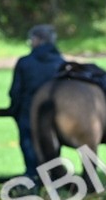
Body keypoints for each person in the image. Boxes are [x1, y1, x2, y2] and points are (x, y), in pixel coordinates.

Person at [8, 24, 65, 181]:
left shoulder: (25, 62)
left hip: (28, 114)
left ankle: (33, 184)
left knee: (30, 154)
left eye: (31, 39)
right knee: (52, 151)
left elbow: (15, 92)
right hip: (55, 117)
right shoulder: (60, 62)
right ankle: (54, 185)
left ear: (38, 40)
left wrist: (15, 112)